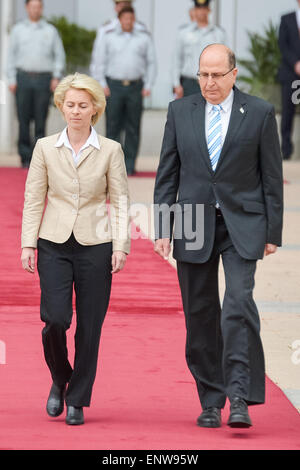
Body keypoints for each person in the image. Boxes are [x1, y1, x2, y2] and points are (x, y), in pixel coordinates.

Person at [154, 44, 283, 428]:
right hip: (193, 220)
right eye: (203, 75)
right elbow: (167, 175)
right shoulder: (180, 111)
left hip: (243, 222)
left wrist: (272, 231)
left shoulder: (259, 113)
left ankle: (240, 395)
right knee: (200, 313)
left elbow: (272, 178)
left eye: (216, 75)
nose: (209, 82)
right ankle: (211, 398)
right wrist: (164, 228)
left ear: (233, 74)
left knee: (238, 304)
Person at [21, 73, 131, 425]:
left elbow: (122, 200)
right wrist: (27, 243)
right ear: (61, 106)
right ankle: (60, 377)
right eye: (70, 105)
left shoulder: (111, 150)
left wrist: (121, 245)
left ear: (95, 109)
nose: (76, 111)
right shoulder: (44, 147)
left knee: (90, 326)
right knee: (55, 319)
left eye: (83, 105)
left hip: (96, 245)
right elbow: (33, 198)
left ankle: (77, 400)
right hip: (53, 242)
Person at [93, 6, 156, 175]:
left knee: (133, 127)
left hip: (136, 86)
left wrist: (148, 84)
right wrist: (101, 83)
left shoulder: (143, 37)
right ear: (120, 19)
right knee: (113, 126)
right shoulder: (108, 36)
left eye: (131, 19)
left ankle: (129, 164)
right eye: (125, 19)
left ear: (134, 20)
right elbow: (99, 61)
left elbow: (151, 62)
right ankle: (112, 166)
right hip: (113, 87)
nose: (128, 22)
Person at [6, 0, 65, 168]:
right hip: (22, 78)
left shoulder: (50, 30)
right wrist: (11, 79)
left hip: (43, 80)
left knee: (41, 119)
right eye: (32, 6)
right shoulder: (18, 30)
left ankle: (39, 157)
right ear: (27, 8)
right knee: (23, 119)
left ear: (42, 9)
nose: (35, 10)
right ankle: (24, 156)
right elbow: (10, 56)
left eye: (38, 7)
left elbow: (59, 56)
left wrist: (56, 77)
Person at [173, 0, 227, 99]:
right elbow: (177, 59)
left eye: (204, 9)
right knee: (189, 114)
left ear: (209, 10)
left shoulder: (218, 34)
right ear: (194, 11)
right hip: (189, 83)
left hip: (211, 84)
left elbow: (224, 61)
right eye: (198, 9)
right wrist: (176, 84)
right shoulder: (184, 33)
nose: (201, 12)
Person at [90, 0, 148, 80]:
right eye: (122, 6)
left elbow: (148, 59)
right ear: (116, 8)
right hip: (112, 83)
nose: (125, 9)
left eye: (127, 5)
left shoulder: (141, 28)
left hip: (137, 83)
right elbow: (98, 58)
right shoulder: (106, 28)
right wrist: (98, 81)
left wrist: (147, 83)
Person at [278, 0, 300, 160]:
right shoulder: (286, 19)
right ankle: (286, 151)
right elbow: (283, 45)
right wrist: (296, 63)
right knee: (288, 112)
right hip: (291, 74)